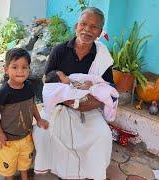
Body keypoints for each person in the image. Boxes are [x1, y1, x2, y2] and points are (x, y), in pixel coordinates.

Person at [33, 7, 115, 180]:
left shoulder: (102, 56)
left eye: (93, 27)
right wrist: (69, 98)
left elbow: (107, 88)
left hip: (89, 106)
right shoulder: (60, 50)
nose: (87, 30)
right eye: (84, 24)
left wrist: (88, 102)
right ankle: (58, 172)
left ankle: (91, 174)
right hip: (60, 105)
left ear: (99, 32)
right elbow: (47, 81)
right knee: (43, 133)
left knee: (103, 134)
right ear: (76, 26)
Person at [0, 48, 49, 180]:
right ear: (6, 69)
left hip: (26, 137)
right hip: (8, 141)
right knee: (8, 169)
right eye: (14, 67)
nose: (20, 71)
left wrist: (38, 119)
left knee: (25, 164)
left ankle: (24, 177)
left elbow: (32, 105)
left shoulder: (28, 86)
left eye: (24, 67)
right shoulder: (4, 92)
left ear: (29, 69)